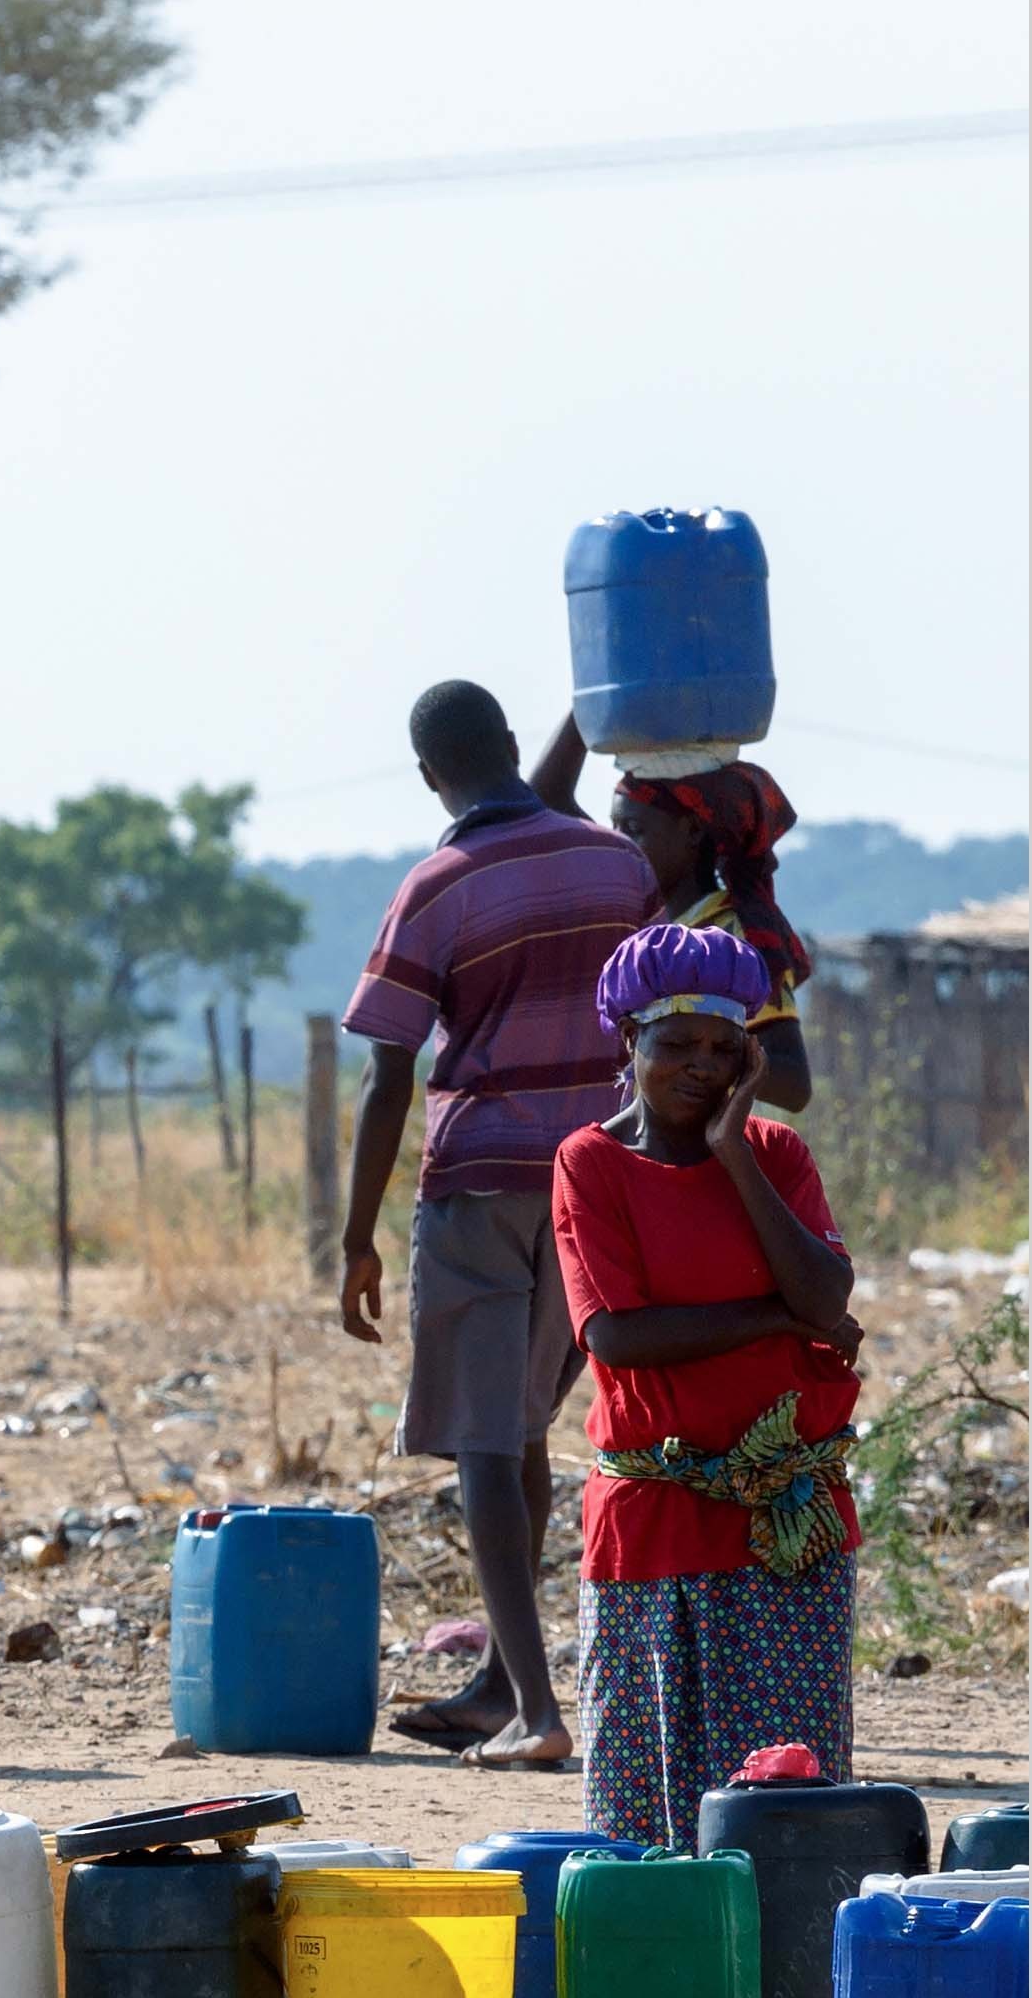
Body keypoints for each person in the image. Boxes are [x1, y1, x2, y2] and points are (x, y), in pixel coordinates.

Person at [336, 678, 662, 1771]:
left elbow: (389, 1069)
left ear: (430, 775)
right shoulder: (617, 865)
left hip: (479, 1179)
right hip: (594, 1175)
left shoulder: (436, 888)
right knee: (518, 1425)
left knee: (483, 1439)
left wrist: (354, 1236)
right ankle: (498, 1687)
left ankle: (536, 1708)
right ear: (512, 745)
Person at [548, 925, 866, 1851]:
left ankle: (784, 1988)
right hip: (655, 1517)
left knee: (789, 1798)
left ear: (749, 1059)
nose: (699, 1066)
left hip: (785, 1522)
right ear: (627, 1043)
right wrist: (774, 1319)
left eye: (723, 1049)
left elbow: (826, 1295)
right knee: (644, 1810)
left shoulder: (773, 1155)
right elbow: (617, 1336)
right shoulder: (588, 1163)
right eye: (675, 1044)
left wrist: (734, 1153)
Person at [533, 715, 816, 1111]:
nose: (620, 843)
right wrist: (587, 707)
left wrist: (681, 1055)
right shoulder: (649, 923)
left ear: (692, 832)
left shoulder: (733, 936)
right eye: (615, 828)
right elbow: (543, 801)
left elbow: (792, 1082)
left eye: (633, 828)